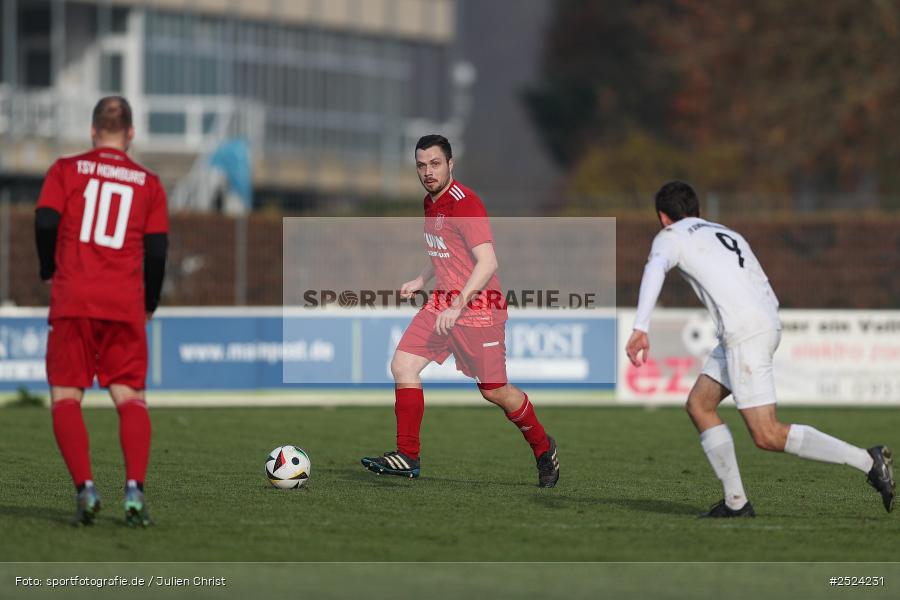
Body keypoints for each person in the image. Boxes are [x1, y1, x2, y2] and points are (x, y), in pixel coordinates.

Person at [626, 181, 894, 517]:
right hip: (760, 322)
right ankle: (736, 503)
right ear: (697, 210)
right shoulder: (728, 232)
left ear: (664, 217)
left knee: (767, 433)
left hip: (744, 333)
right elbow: (760, 281)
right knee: (700, 404)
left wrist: (640, 327)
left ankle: (867, 460)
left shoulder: (671, 235)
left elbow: (654, 269)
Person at [361, 135, 560, 487]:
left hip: (478, 309)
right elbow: (443, 249)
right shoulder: (430, 203)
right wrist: (421, 278)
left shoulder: (465, 203)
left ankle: (544, 448)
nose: (427, 171)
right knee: (403, 364)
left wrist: (456, 305)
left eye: (435, 164)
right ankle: (407, 456)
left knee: (494, 390)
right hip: (443, 304)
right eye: (421, 165)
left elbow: (487, 263)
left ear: (451, 165)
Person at [34, 96, 168, 526]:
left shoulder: (65, 170)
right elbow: (157, 250)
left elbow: (45, 221)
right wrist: (149, 301)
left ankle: (85, 489)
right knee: (130, 397)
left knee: (66, 396)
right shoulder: (148, 183)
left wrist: (48, 267)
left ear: (93, 131)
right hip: (123, 303)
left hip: (74, 298)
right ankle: (134, 492)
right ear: (131, 134)